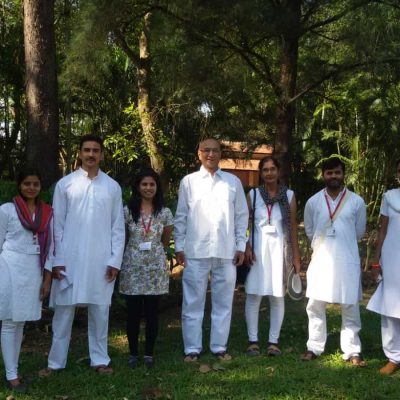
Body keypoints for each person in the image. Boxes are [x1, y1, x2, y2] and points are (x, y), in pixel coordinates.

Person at [44, 134, 125, 375]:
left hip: (101, 260)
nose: (91, 154)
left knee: (100, 311)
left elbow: (117, 227)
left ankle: (100, 359)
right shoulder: (65, 184)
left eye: (95, 150)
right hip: (68, 259)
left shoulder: (112, 186)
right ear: (79, 153)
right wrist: (56, 260)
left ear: (101, 154)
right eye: (87, 150)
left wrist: (115, 261)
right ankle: (55, 363)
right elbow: (56, 225)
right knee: (63, 312)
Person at [174, 138, 248, 362]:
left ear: (220, 154)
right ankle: (192, 349)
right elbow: (181, 217)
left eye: (215, 150)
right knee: (192, 303)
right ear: (199, 153)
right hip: (196, 251)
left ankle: (218, 347)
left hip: (226, 252)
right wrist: (179, 246)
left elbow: (241, 216)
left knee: (224, 303)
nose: (211, 154)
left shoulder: (233, 182)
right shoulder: (188, 182)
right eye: (206, 150)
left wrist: (240, 246)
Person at [301, 157, 367, 366]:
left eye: (337, 172)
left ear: (343, 174)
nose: (333, 176)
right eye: (329, 173)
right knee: (315, 304)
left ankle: (352, 350)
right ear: (323, 175)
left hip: (347, 259)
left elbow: (359, 232)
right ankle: (314, 346)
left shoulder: (356, 201)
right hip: (321, 260)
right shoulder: (313, 201)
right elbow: (310, 231)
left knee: (350, 305)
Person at [0, 168, 53, 392]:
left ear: (40, 187)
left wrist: (47, 279)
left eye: (35, 184)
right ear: (19, 185)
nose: (31, 187)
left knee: (21, 321)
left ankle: (15, 370)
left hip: (33, 269)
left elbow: (50, 248)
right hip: (9, 267)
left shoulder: (46, 213)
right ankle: (11, 376)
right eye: (26, 183)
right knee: (10, 321)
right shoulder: (7, 210)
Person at [244, 156, 301, 357]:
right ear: (261, 173)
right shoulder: (253, 195)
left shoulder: (290, 195)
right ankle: (253, 341)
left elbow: (292, 228)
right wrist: (246, 247)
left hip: (280, 252)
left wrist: (296, 257)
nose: (269, 173)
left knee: (277, 296)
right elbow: (245, 225)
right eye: (265, 170)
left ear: (278, 171)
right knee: (254, 295)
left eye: (272, 169)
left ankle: (273, 341)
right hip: (257, 252)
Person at [119, 169, 173, 369]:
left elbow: (165, 241)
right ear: (138, 187)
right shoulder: (127, 211)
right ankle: (133, 353)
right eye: (144, 184)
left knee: (152, 313)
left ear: (157, 187)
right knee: (132, 313)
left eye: (152, 184)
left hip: (154, 270)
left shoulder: (165, 212)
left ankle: (149, 353)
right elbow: (123, 238)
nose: (148, 188)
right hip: (132, 268)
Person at [367, 159, 400, 375]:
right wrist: (376, 261)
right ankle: (394, 357)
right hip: (393, 256)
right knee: (391, 306)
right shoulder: (389, 197)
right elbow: (383, 231)